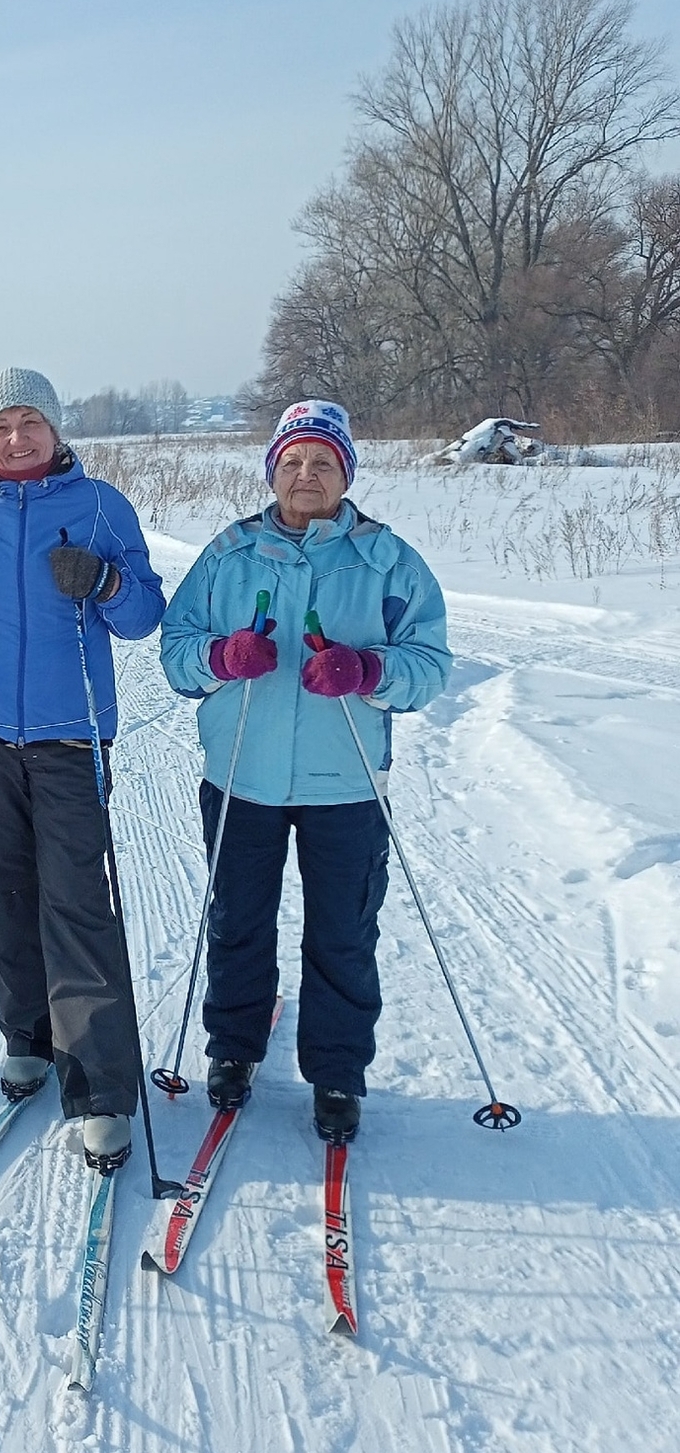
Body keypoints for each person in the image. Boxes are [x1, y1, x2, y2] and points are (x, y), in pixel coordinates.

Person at [159, 399, 452, 1141]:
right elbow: (177, 648)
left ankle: (337, 1073)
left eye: (322, 461)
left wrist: (367, 668)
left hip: (346, 784)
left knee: (343, 933)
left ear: (345, 472)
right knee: (237, 923)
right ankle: (233, 1050)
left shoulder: (386, 560)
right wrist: (221, 658)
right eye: (292, 461)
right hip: (242, 777)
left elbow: (429, 665)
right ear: (273, 471)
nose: (306, 474)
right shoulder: (229, 554)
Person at [0, 367, 166, 1170]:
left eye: (30, 423)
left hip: (68, 736)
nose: (16, 438)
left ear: (55, 430)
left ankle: (100, 1084)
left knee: (77, 903)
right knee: (7, 895)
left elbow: (144, 613)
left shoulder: (97, 507)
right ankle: (26, 1037)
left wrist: (107, 580)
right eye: (0, 427)